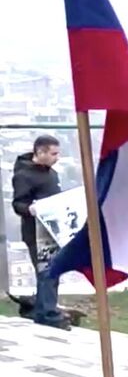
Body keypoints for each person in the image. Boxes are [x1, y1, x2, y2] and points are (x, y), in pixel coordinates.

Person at [11, 134, 67, 329]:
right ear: (40, 152)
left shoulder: (52, 174)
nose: (57, 157)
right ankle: (47, 314)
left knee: (51, 271)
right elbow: (18, 204)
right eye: (53, 153)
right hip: (36, 232)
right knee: (47, 271)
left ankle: (41, 308)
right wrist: (30, 209)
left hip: (53, 230)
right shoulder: (24, 175)